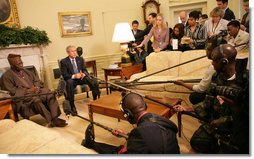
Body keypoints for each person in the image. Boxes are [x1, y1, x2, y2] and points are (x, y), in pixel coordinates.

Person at [174, 44, 238, 153]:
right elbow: (207, 101)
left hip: (235, 127)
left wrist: (221, 121)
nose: (212, 63)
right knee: (196, 142)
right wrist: (187, 109)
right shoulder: (216, 77)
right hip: (215, 122)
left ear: (224, 62)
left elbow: (245, 116)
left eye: (214, 61)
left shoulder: (245, 81)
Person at [81, 93, 180, 154]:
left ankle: (90, 143)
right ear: (145, 106)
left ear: (128, 114)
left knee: (117, 151)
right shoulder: (159, 119)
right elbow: (151, 136)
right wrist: (128, 135)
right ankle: (91, 144)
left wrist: (126, 145)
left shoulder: (139, 133)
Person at [0, 54, 67, 127]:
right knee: (36, 100)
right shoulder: (6, 76)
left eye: (22, 62)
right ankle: (51, 120)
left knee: (50, 94)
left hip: (36, 92)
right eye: (19, 64)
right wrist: (27, 91)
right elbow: (11, 91)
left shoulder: (26, 71)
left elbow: (36, 80)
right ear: (12, 65)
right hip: (23, 97)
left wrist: (37, 87)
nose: (22, 65)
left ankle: (55, 118)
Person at [174, 35, 227, 105]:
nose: (206, 51)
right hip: (220, 94)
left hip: (217, 98)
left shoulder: (213, 67)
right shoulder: (224, 61)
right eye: (206, 48)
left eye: (209, 49)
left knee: (194, 96)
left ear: (216, 50)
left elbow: (200, 89)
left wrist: (182, 84)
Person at [60, 45, 100, 115]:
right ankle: (72, 105)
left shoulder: (80, 59)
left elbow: (85, 70)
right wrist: (75, 76)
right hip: (72, 80)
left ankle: (95, 100)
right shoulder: (63, 62)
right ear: (68, 53)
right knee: (69, 82)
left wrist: (83, 74)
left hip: (81, 78)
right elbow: (65, 75)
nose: (75, 53)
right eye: (72, 51)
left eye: (75, 51)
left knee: (93, 80)